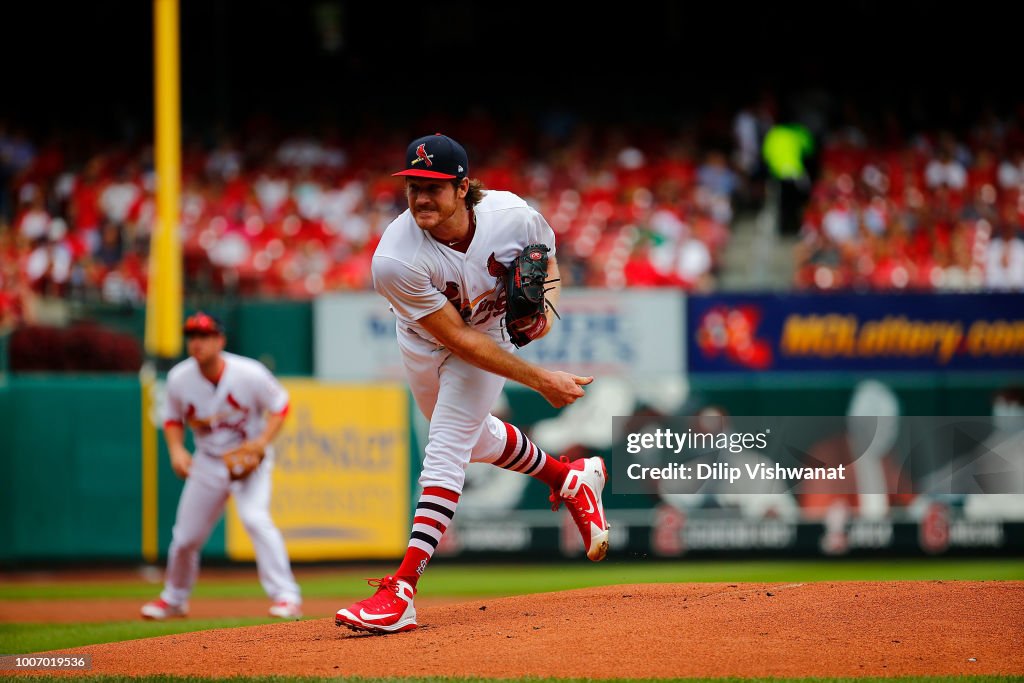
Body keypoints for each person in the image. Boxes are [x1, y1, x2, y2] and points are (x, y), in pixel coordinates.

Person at [334, 133, 608, 634]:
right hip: (426, 340)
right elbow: (455, 340)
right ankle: (569, 479)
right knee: (470, 438)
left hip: (487, 331)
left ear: (463, 188)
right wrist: (541, 379)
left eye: (433, 186)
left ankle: (402, 590)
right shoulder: (395, 259)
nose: (420, 196)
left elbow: (546, 260)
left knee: (445, 447)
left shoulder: (512, 216)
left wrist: (547, 307)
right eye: (413, 185)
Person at [140, 312, 302, 620]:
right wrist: (176, 450)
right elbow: (172, 418)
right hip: (208, 463)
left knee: (255, 519)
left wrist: (262, 442)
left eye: (204, 336)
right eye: (192, 336)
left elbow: (281, 405)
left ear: (220, 340)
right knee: (185, 538)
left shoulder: (248, 372)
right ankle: (174, 599)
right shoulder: (179, 378)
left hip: (249, 461)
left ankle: (287, 597)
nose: (197, 342)